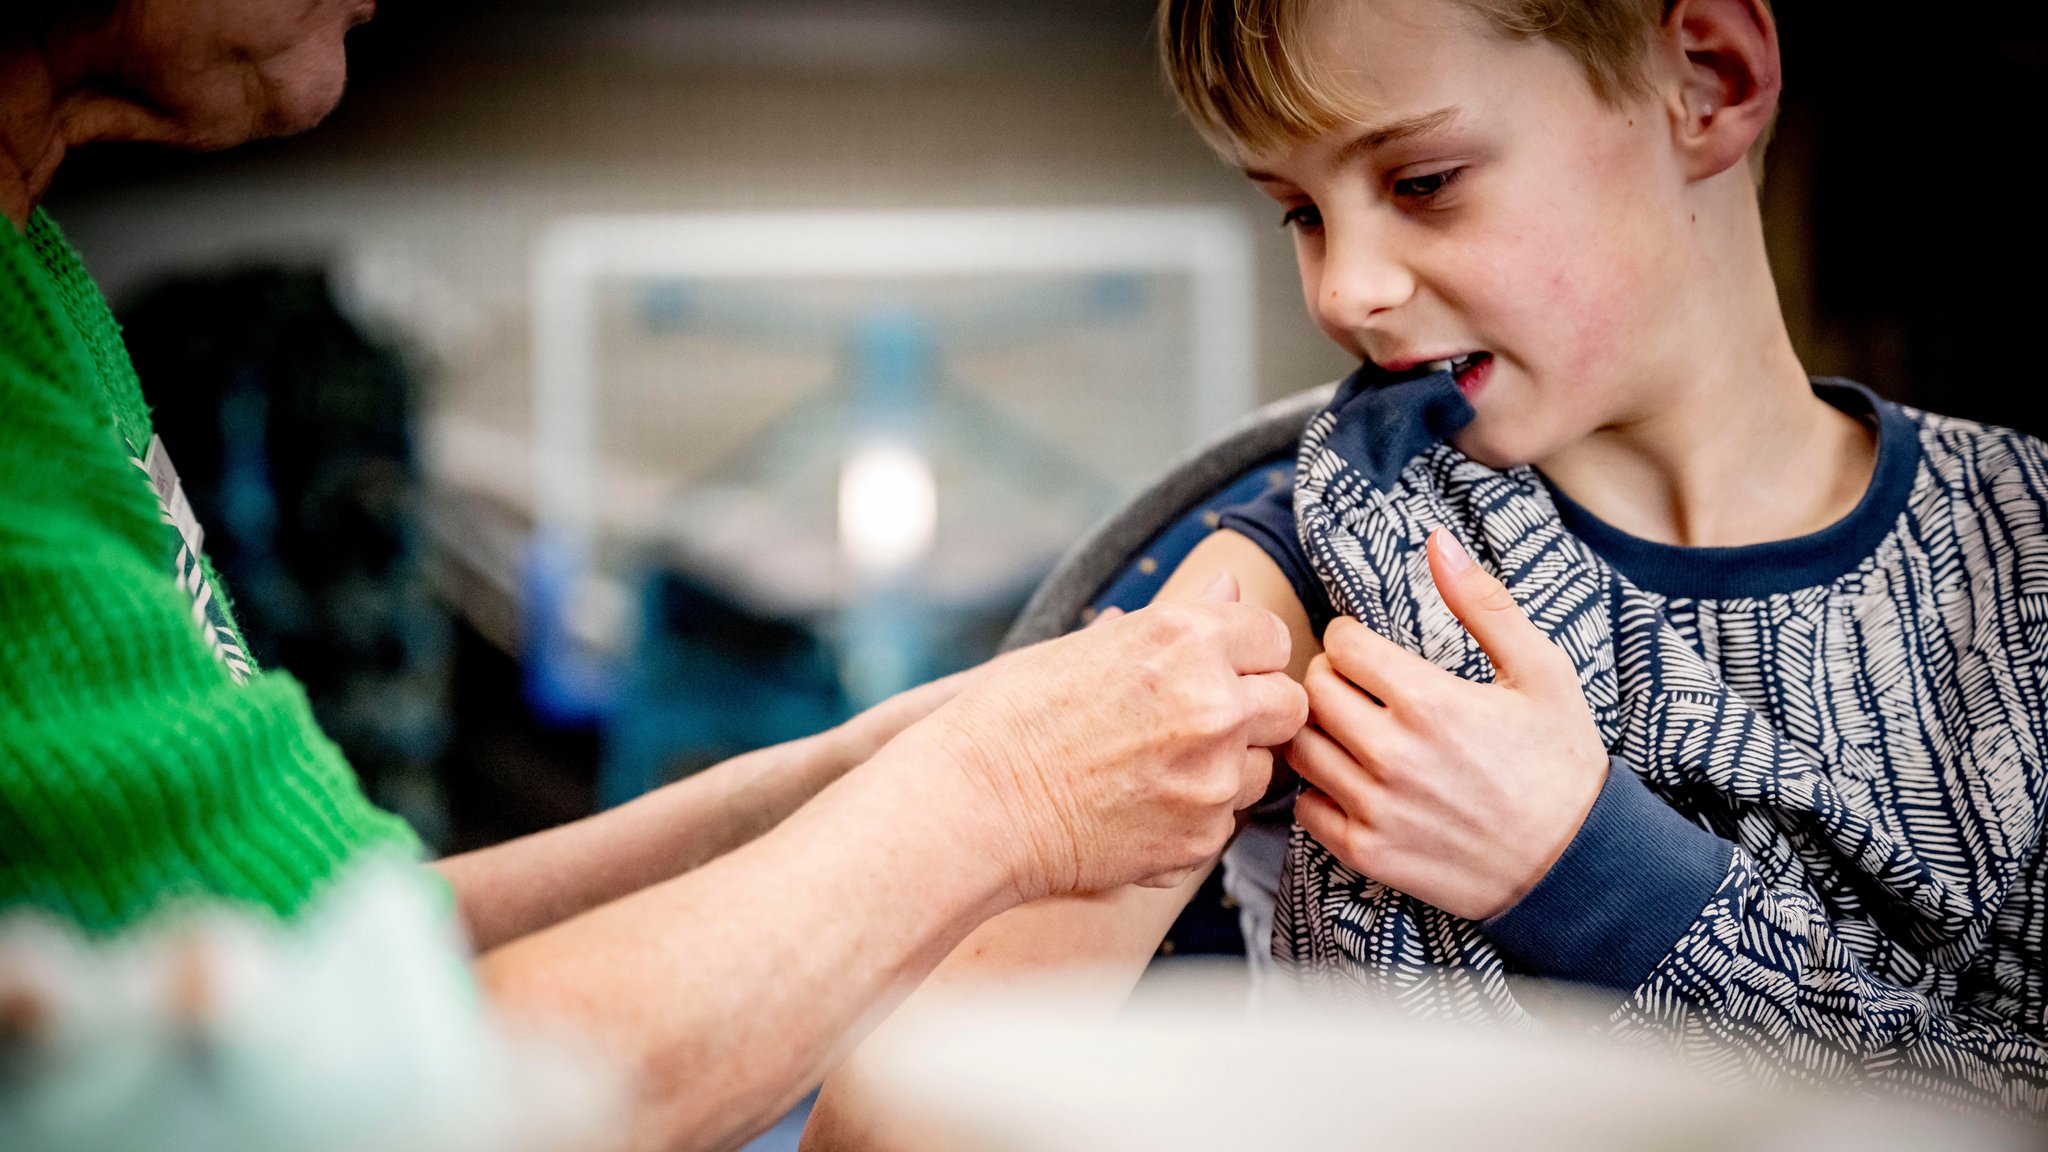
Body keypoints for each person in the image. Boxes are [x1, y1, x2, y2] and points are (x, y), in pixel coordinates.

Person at [0, 3, 1310, 1150]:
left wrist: (836, 775)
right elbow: (380, 1092)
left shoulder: (42, 280)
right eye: (1303, 216)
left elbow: (343, 940)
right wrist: (1001, 790)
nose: (1355, 291)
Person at [804, 0, 2048, 1138]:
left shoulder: (2021, 548)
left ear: (1708, 82)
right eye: (1299, 212)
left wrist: (1589, 873)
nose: (1346, 290)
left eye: (1425, 181)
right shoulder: (1324, 550)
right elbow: (915, 1096)